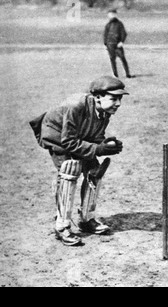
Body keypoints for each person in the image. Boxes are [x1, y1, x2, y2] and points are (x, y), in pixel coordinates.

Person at [29, 76, 129, 246]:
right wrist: (98, 149)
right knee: (70, 170)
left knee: (94, 173)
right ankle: (62, 226)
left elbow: (96, 135)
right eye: (113, 98)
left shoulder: (105, 111)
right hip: (57, 137)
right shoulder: (76, 106)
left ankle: (86, 219)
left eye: (120, 99)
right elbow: (68, 141)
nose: (118, 103)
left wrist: (104, 145)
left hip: (78, 137)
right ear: (98, 97)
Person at [104, 9, 135, 78]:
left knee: (122, 58)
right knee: (112, 59)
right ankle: (115, 74)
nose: (110, 16)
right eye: (109, 15)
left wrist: (121, 42)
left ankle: (127, 74)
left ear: (115, 15)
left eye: (111, 14)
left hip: (118, 44)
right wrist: (106, 44)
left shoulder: (119, 24)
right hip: (110, 45)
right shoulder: (108, 25)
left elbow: (124, 33)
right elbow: (105, 35)